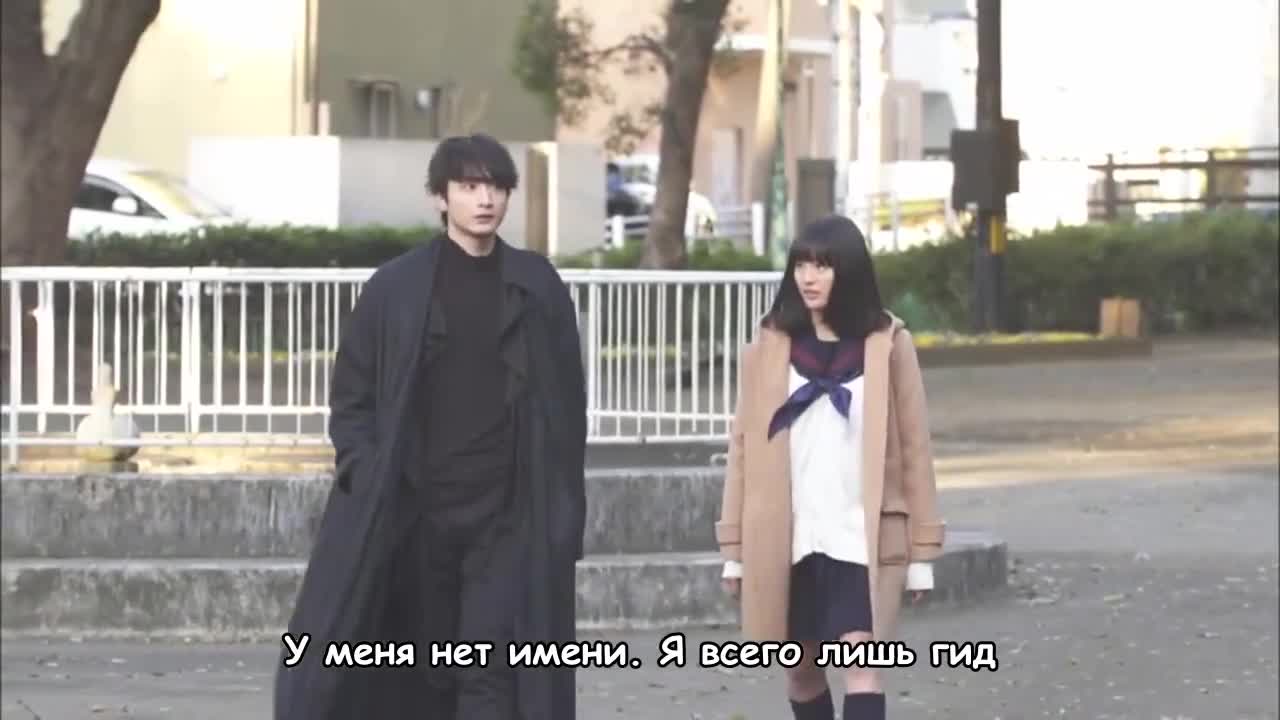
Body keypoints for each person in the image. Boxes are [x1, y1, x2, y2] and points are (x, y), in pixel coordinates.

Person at [275, 133, 587, 720]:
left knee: (492, 665)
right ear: (441, 198)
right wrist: (364, 469)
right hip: (415, 510)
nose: (485, 199)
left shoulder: (536, 285)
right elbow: (352, 396)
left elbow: (568, 406)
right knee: (418, 665)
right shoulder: (396, 288)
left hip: (508, 513)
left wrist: (563, 508)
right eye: (469, 186)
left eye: (496, 187)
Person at [715, 215, 946, 720]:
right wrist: (735, 551)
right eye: (801, 265)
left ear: (850, 271)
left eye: (822, 265)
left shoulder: (888, 345)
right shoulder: (769, 347)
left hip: (860, 538)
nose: (809, 277)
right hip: (790, 538)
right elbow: (743, 449)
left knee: (862, 665)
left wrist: (921, 553)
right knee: (800, 671)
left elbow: (915, 450)